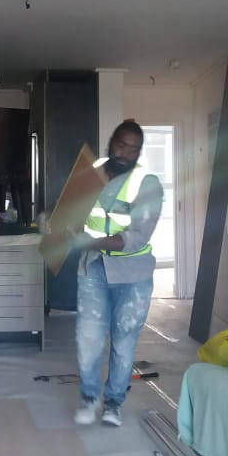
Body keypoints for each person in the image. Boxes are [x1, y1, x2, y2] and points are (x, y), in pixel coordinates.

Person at [71, 120, 163, 428]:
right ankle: (89, 398)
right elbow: (72, 212)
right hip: (94, 266)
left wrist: (88, 241)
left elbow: (136, 237)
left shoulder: (147, 184)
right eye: (121, 145)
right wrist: (56, 224)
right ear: (111, 142)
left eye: (134, 149)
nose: (126, 154)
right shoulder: (91, 173)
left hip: (133, 274)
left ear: (140, 152)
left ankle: (113, 403)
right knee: (88, 337)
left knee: (123, 342)